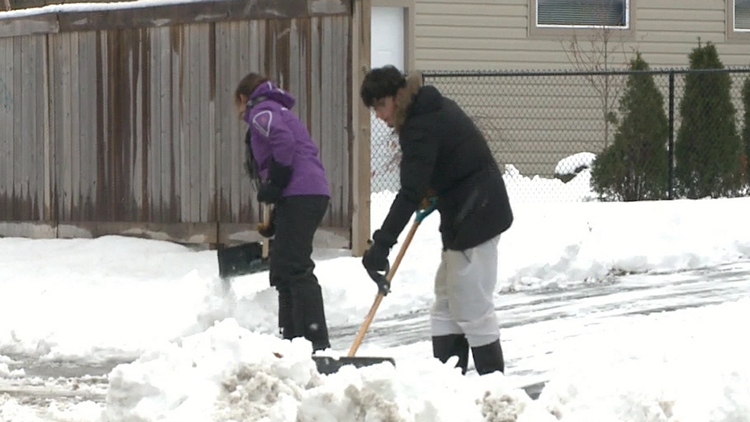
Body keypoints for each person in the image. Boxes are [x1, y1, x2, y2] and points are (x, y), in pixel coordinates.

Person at [359, 65, 514, 375]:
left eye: (380, 105)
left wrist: (382, 244)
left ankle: (495, 391)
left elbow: (409, 192)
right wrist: (433, 188)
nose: (378, 115)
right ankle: (447, 386)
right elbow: (446, 160)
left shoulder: (420, 124)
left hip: (478, 212)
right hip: (465, 212)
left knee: (471, 303)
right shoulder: (426, 109)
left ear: (396, 96)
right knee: (446, 301)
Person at [235, 72, 331, 352]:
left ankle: (316, 342)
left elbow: (284, 142)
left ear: (243, 98)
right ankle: (291, 340)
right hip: (303, 193)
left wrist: (277, 181)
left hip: (301, 193)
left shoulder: (261, 112)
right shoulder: (276, 109)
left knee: (296, 267)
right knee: (282, 269)